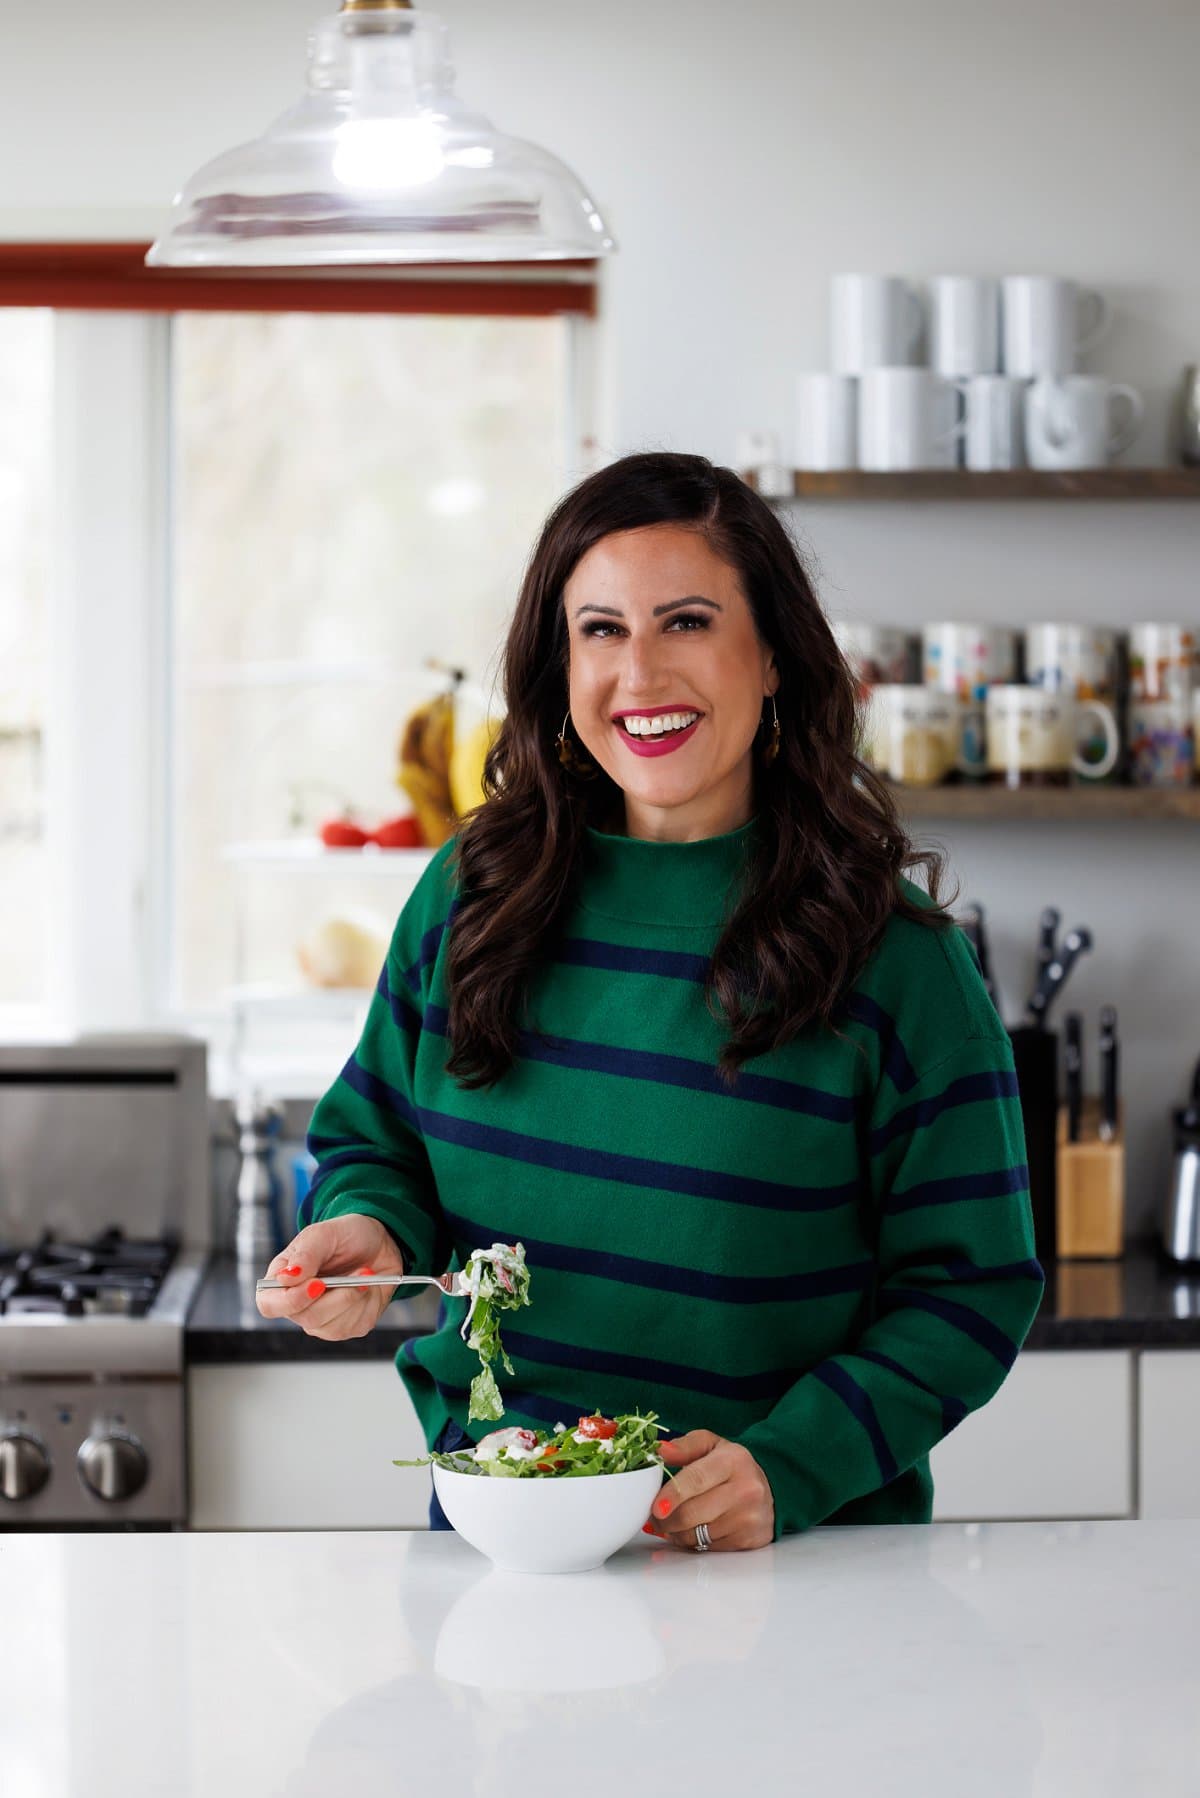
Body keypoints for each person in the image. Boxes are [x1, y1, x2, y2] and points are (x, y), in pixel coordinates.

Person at [257, 450, 1044, 1553]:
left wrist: (791, 1462)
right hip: (500, 1535)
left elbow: (973, 1285)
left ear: (771, 655)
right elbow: (377, 1132)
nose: (641, 673)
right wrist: (370, 1228)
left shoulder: (896, 959)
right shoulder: (473, 891)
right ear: (557, 662)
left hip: (787, 1561)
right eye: (601, 630)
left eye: (685, 622)